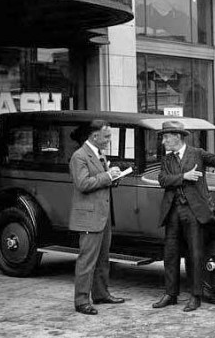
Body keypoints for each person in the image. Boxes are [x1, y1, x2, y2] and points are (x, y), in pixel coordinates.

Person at [153, 120, 215, 312]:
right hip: (173, 212)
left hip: (194, 211)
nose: (163, 142)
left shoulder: (196, 153)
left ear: (177, 137)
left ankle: (196, 296)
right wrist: (184, 177)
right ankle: (171, 294)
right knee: (170, 254)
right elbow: (163, 180)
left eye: (166, 137)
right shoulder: (167, 159)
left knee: (195, 254)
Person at [69, 120, 124, 315]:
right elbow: (83, 184)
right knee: (87, 260)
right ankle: (81, 301)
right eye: (107, 136)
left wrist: (113, 178)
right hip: (90, 216)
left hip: (102, 215)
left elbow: (99, 182)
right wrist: (108, 176)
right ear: (94, 136)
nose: (109, 140)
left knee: (103, 258)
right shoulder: (80, 156)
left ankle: (101, 294)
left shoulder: (98, 154)